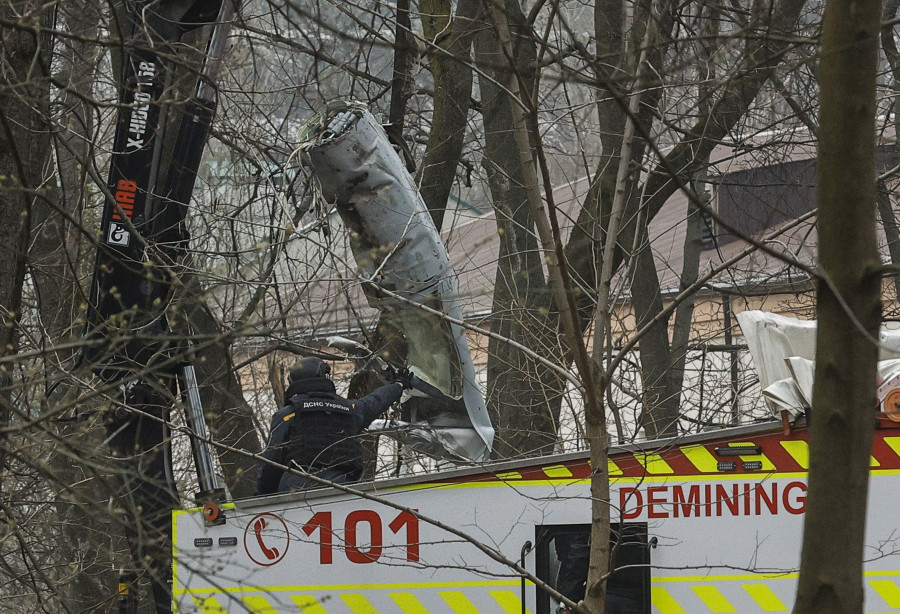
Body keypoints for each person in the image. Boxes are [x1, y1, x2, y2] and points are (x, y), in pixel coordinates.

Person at [256, 356, 411, 495]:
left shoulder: (288, 414)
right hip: (342, 490)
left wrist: (262, 501)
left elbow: (271, 462)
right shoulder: (349, 410)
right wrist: (398, 385)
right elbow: (375, 401)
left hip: (295, 493)